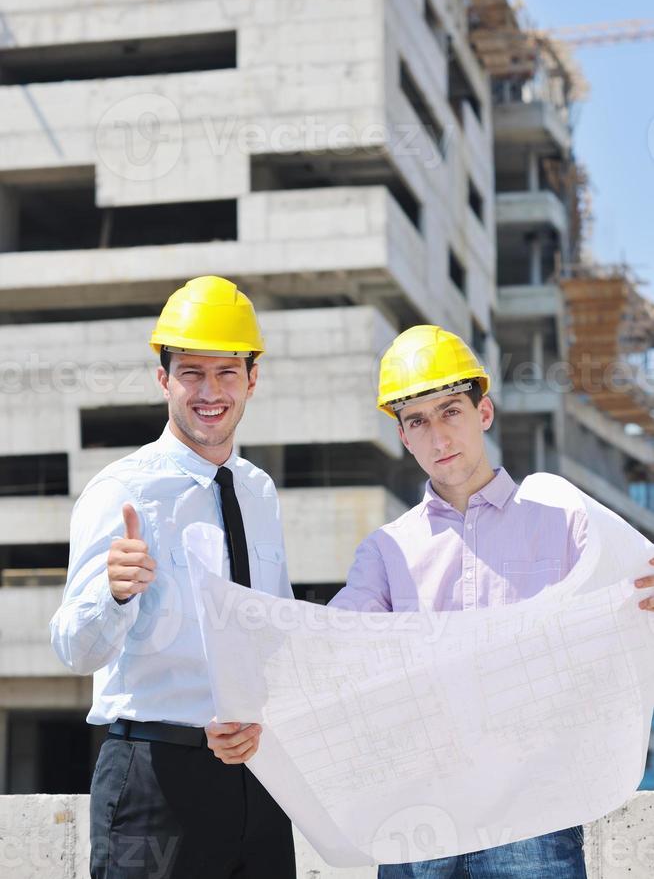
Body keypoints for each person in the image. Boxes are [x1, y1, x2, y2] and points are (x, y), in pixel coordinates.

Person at [330, 323, 654, 879]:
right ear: (403, 437)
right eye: (417, 421)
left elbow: (629, 605)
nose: (438, 437)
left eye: (450, 411)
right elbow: (331, 648)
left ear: (484, 412)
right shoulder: (386, 552)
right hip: (419, 818)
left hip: (532, 814)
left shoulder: (565, 524)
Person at [50, 276, 296, 879]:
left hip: (260, 778)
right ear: (163, 379)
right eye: (191, 372)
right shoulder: (122, 490)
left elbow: (276, 632)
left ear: (252, 379)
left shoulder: (260, 492)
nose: (209, 392)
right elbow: (73, 650)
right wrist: (113, 592)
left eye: (226, 373)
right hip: (156, 780)